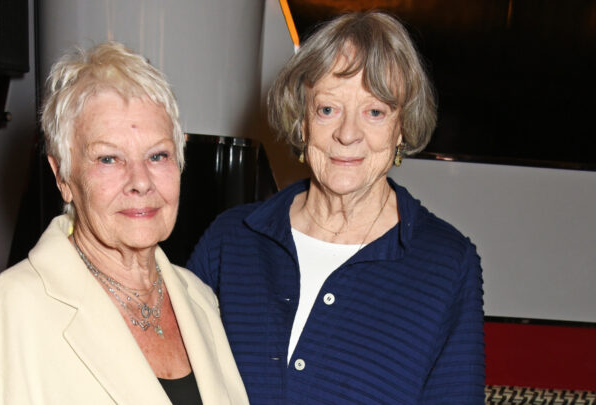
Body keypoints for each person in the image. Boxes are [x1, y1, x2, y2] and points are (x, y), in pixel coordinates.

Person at [187, 11, 484, 404]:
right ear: (302, 122)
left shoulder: (447, 263)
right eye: (328, 109)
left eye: (374, 112)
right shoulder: (231, 239)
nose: (347, 134)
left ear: (402, 128)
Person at [0, 42, 249, 405]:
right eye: (108, 158)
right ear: (63, 177)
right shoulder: (6, 317)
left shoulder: (199, 300)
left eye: (157, 155)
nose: (140, 181)